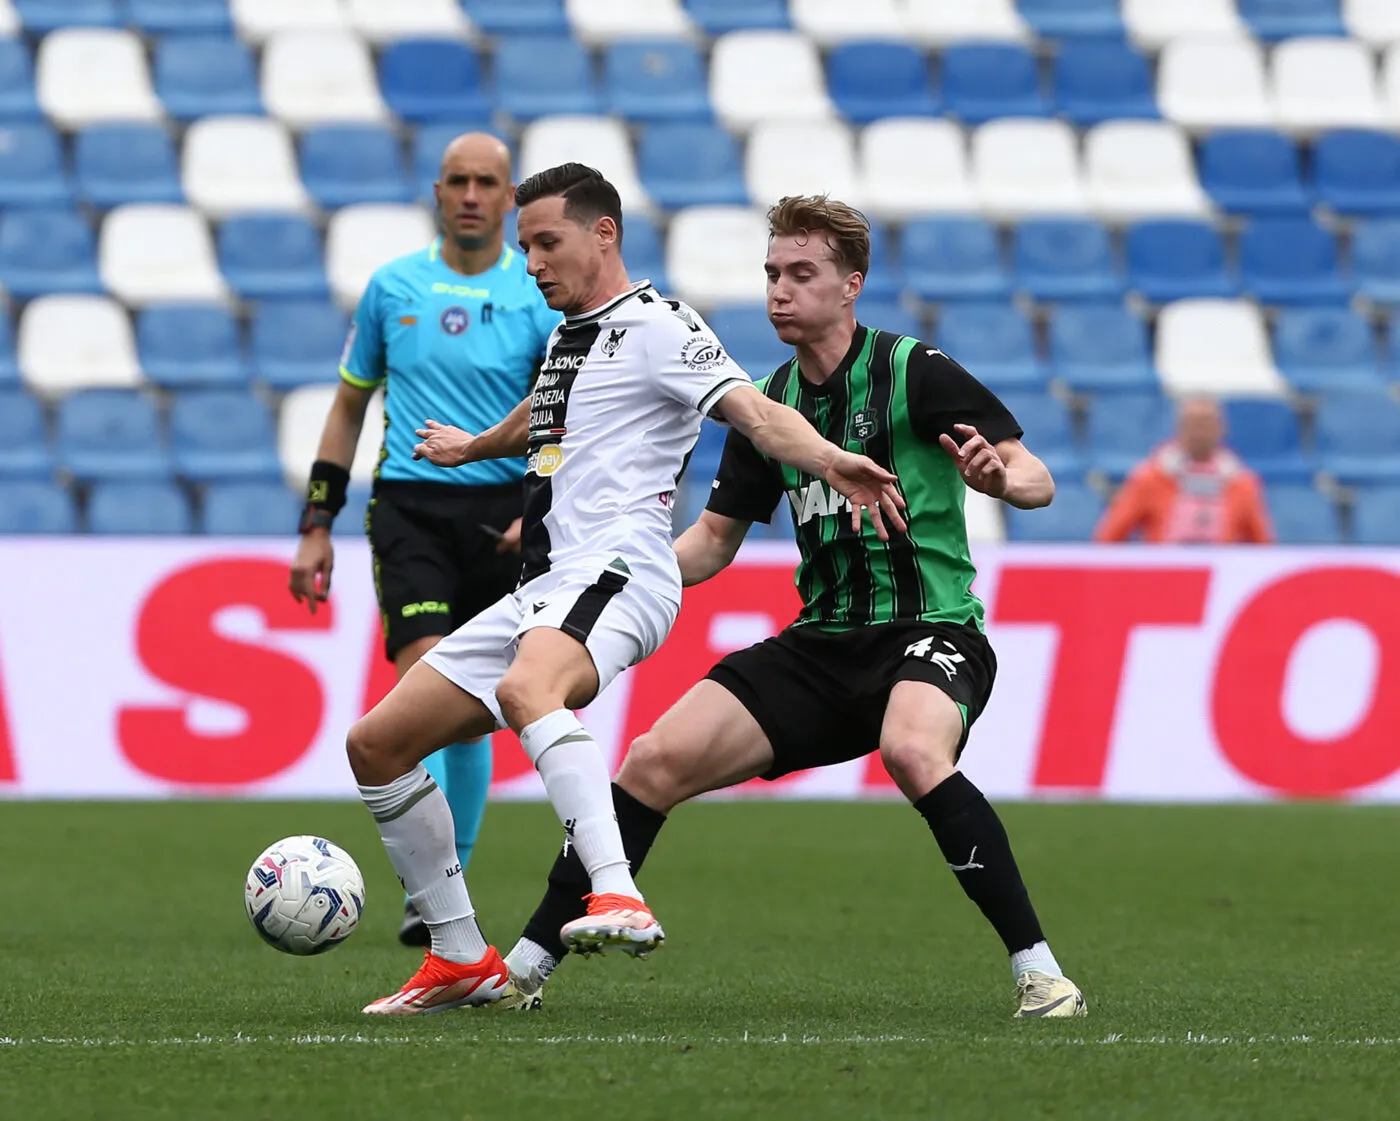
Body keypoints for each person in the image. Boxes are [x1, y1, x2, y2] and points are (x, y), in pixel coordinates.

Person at [495, 194, 1088, 1020]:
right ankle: (522, 967)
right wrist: (602, 577)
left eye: (801, 274)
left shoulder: (914, 370)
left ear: (851, 285)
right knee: (651, 761)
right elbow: (710, 541)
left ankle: (1041, 972)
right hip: (822, 646)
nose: (779, 290)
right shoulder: (767, 405)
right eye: (772, 273)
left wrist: (999, 478)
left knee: (913, 750)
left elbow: (1038, 478)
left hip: (931, 630)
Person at [346, 165, 907, 1015]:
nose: (529, 260)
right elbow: (546, 408)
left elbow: (752, 413)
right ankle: (459, 954)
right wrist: (474, 446)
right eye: (526, 244)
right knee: (377, 744)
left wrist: (831, 461)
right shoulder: (572, 335)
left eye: (546, 242)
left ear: (602, 234)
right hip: (545, 584)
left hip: (622, 568)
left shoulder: (658, 325)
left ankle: (615, 891)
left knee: (528, 688)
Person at [288, 133, 560, 948]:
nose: (471, 194)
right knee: (423, 677)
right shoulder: (392, 287)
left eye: (487, 182)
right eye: (457, 181)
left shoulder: (537, 294)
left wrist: (539, 507)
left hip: (503, 512)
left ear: (510, 198)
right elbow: (348, 404)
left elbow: (557, 416)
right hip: (409, 505)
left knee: (472, 714)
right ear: (437, 192)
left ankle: (448, 873)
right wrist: (315, 523)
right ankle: (425, 885)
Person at [1094, 396, 1274, 544]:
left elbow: (1262, 545)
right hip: (1163, 576)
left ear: (1222, 428)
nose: (1200, 431)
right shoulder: (1149, 478)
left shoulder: (1243, 484)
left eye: (1206, 423)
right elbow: (1110, 537)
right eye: (1193, 423)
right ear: (1179, 427)